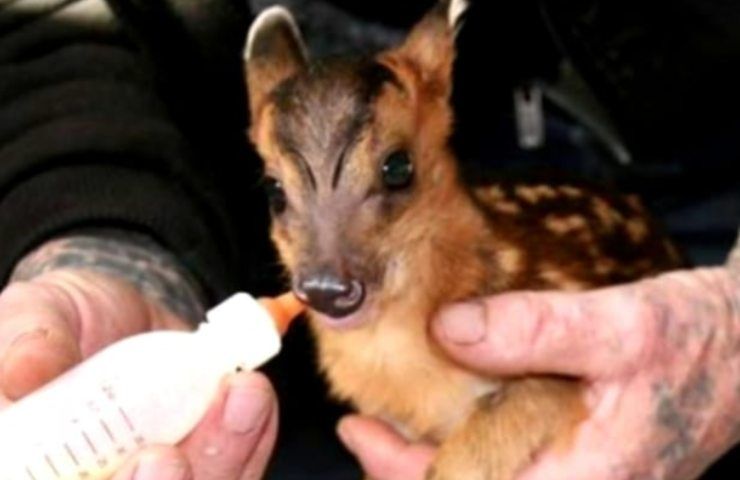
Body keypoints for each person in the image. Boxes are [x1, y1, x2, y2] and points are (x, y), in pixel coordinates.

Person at [1, 0, 738, 479]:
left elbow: (540, 397)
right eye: (281, 198)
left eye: (387, 174)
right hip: (196, 193)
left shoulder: (505, 260)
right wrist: (117, 245)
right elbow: (56, 21)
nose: (326, 267)